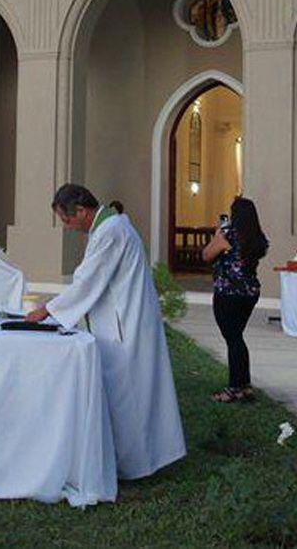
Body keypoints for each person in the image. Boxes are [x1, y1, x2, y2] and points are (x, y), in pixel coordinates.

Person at [24, 185, 186, 479]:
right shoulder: (109, 227)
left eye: (66, 220)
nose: (67, 227)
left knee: (129, 397)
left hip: (125, 326)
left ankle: (134, 466)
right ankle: (135, 460)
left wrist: (48, 310)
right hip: (122, 320)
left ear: (82, 211)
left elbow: (88, 280)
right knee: (132, 396)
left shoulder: (111, 231)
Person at [200, 196, 268, 403]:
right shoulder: (258, 238)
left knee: (233, 339)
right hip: (249, 293)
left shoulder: (227, 234)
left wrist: (216, 238)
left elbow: (206, 255)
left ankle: (233, 388)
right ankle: (244, 386)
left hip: (227, 293)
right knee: (237, 337)